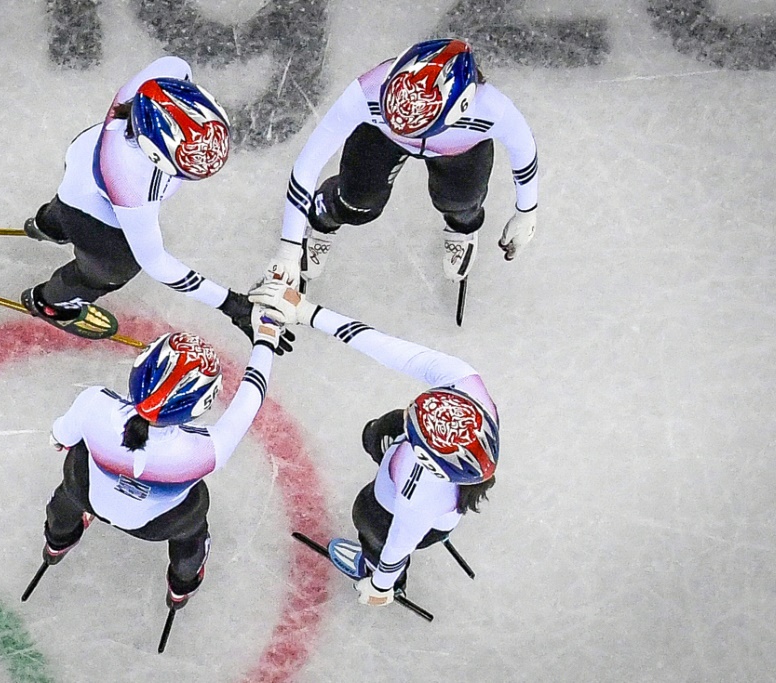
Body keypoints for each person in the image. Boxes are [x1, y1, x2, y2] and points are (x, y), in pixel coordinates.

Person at [250, 278, 499, 606]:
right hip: (412, 481)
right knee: (377, 432)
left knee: (368, 519)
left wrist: (381, 584)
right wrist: (308, 312)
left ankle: (369, 564)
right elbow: (388, 348)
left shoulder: (419, 495)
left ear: (425, 460)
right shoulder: (464, 383)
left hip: (396, 511)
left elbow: (397, 546)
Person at [20, 55, 288, 351]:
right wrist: (231, 304)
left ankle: (49, 224)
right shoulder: (131, 181)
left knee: (70, 203)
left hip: (82, 158)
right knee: (112, 268)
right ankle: (51, 302)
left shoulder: (161, 80)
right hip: (92, 209)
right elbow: (156, 263)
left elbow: (179, 68)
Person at [39, 306, 284, 611]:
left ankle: (58, 540)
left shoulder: (94, 403)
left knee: (72, 482)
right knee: (191, 530)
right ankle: (182, 584)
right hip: (157, 526)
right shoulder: (205, 451)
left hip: (88, 495)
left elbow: (60, 437)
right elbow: (252, 396)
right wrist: (266, 336)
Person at [264, 38, 539, 288]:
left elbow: (524, 152)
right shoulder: (368, 91)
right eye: (391, 112)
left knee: (460, 203)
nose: (403, 128)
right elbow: (307, 166)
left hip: (457, 150)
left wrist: (527, 212)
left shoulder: (494, 110)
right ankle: (325, 215)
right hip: (382, 139)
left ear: (461, 107)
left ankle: (461, 227)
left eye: (417, 125)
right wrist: (289, 248)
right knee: (357, 203)